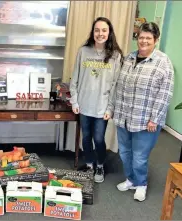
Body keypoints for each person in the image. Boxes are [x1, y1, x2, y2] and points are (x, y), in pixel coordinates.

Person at [106, 22, 174, 201]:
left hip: (146, 121)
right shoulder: (129, 58)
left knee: (140, 156)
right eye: (141, 37)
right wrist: (113, 109)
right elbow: (119, 87)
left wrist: (155, 119)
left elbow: (165, 93)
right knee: (125, 152)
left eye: (148, 38)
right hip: (124, 117)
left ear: (156, 40)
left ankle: (141, 184)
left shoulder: (163, 62)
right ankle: (130, 179)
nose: (143, 41)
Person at [70, 17, 123, 183]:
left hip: (102, 107)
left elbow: (116, 85)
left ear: (109, 33)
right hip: (84, 105)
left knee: (98, 138)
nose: (100, 33)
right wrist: (75, 101)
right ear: (93, 32)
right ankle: (89, 164)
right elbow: (75, 78)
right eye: (97, 30)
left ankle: (100, 164)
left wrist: (110, 108)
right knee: (86, 138)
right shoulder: (83, 51)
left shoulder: (115, 56)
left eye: (104, 30)